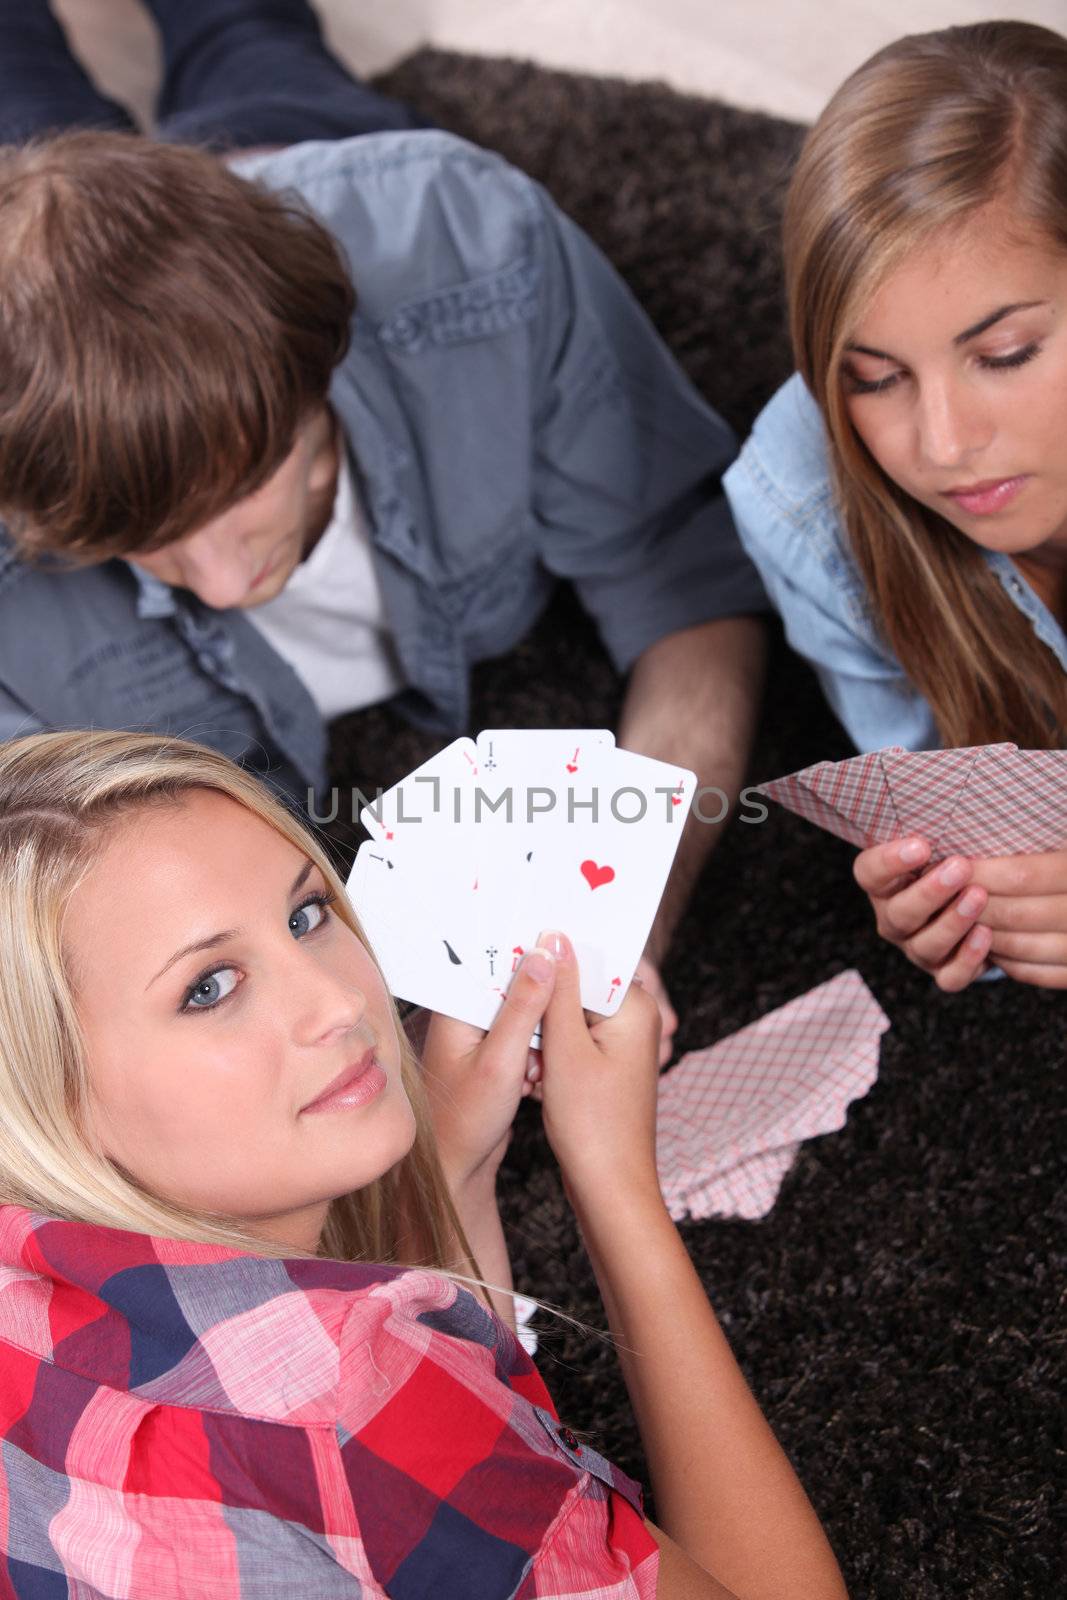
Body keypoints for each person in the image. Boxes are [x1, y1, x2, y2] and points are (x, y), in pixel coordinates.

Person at [0, 1, 770, 1061]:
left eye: (240, 496)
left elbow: (683, 579)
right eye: (146, 546)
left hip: (289, 146)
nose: (221, 585)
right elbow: (48, 902)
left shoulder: (470, 250)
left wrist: (622, 928)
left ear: (322, 369)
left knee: (240, 33)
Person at [0, 728, 846, 1599]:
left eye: (306, 916)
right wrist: (613, 1180)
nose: (340, 1003)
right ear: (44, 1099)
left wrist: (454, 1171)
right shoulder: (354, 1404)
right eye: (209, 987)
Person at [723, 20, 1067, 995]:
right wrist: (966, 903)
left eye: (1002, 356)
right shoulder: (800, 492)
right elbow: (953, 821)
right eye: (873, 378)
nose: (942, 445)